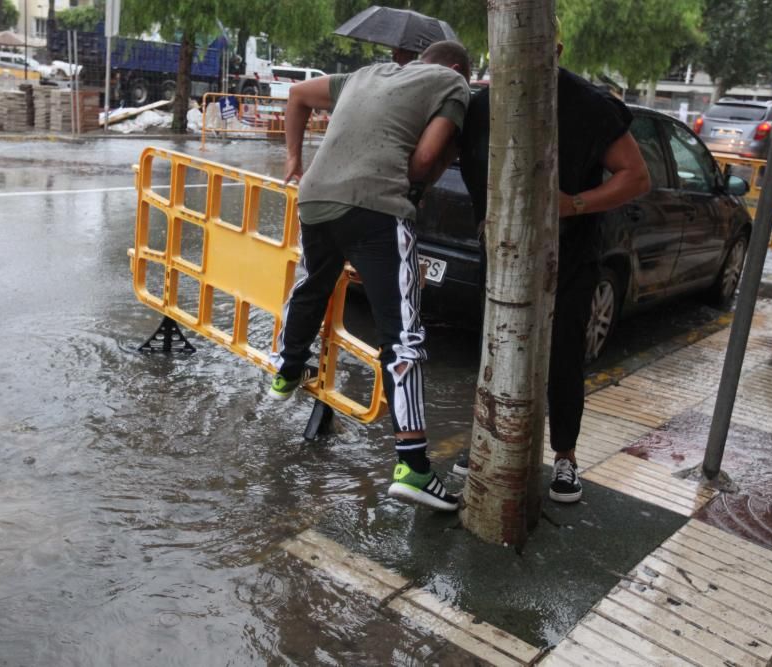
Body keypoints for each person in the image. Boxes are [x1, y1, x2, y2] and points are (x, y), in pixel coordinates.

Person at [268, 40, 472, 512]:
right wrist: (428, 175)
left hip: (315, 200)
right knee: (403, 336)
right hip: (377, 208)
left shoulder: (366, 74)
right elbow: (423, 160)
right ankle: (414, 467)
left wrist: (293, 162)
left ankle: (287, 369)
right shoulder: (453, 84)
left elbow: (296, 94)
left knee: (312, 283)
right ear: (458, 67)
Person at [452, 33, 651, 503]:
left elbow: (636, 177)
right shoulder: (482, 104)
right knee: (493, 352)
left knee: (562, 358)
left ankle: (564, 456)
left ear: (556, 50)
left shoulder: (588, 104)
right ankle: (486, 439)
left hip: (568, 257)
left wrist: (574, 203)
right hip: (499, 258)